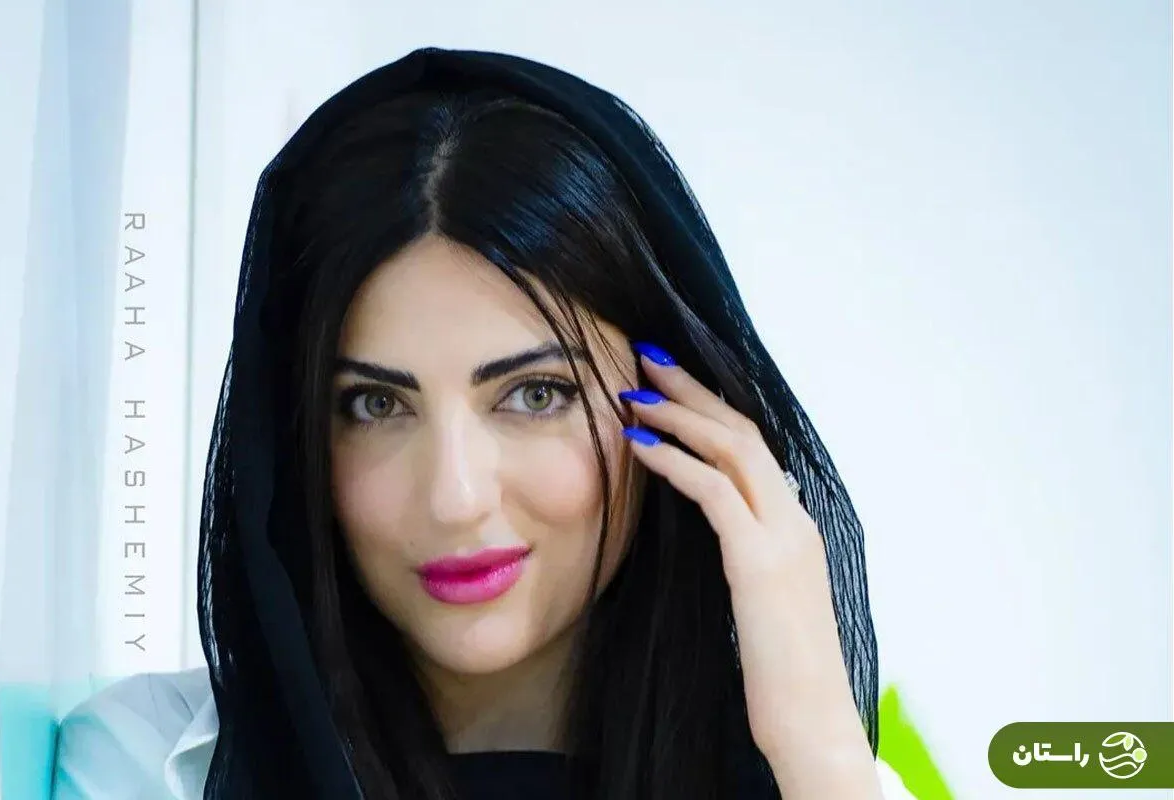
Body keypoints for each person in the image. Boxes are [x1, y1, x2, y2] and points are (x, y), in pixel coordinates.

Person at [52, 47, 915, 799]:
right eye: (376, 405)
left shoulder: (821, 778)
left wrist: (819, 750)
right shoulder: (152, 766)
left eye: (536, 394)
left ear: (680, 407)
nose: (457, 497)